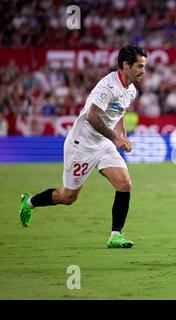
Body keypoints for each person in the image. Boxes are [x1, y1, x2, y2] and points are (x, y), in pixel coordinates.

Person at [18, 45, 147, 248]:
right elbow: (92, 116)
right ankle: (30, 201)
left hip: (103, 143)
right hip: (82, 145)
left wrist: (122, 135)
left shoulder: (130, 90)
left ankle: (115, 235)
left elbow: (119, 112)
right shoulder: (108, 87)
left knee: (124, 184)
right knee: (68, 197)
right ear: (126, 65)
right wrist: (116, 138)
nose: (143, 71)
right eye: (139, 66)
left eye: (144, 66)